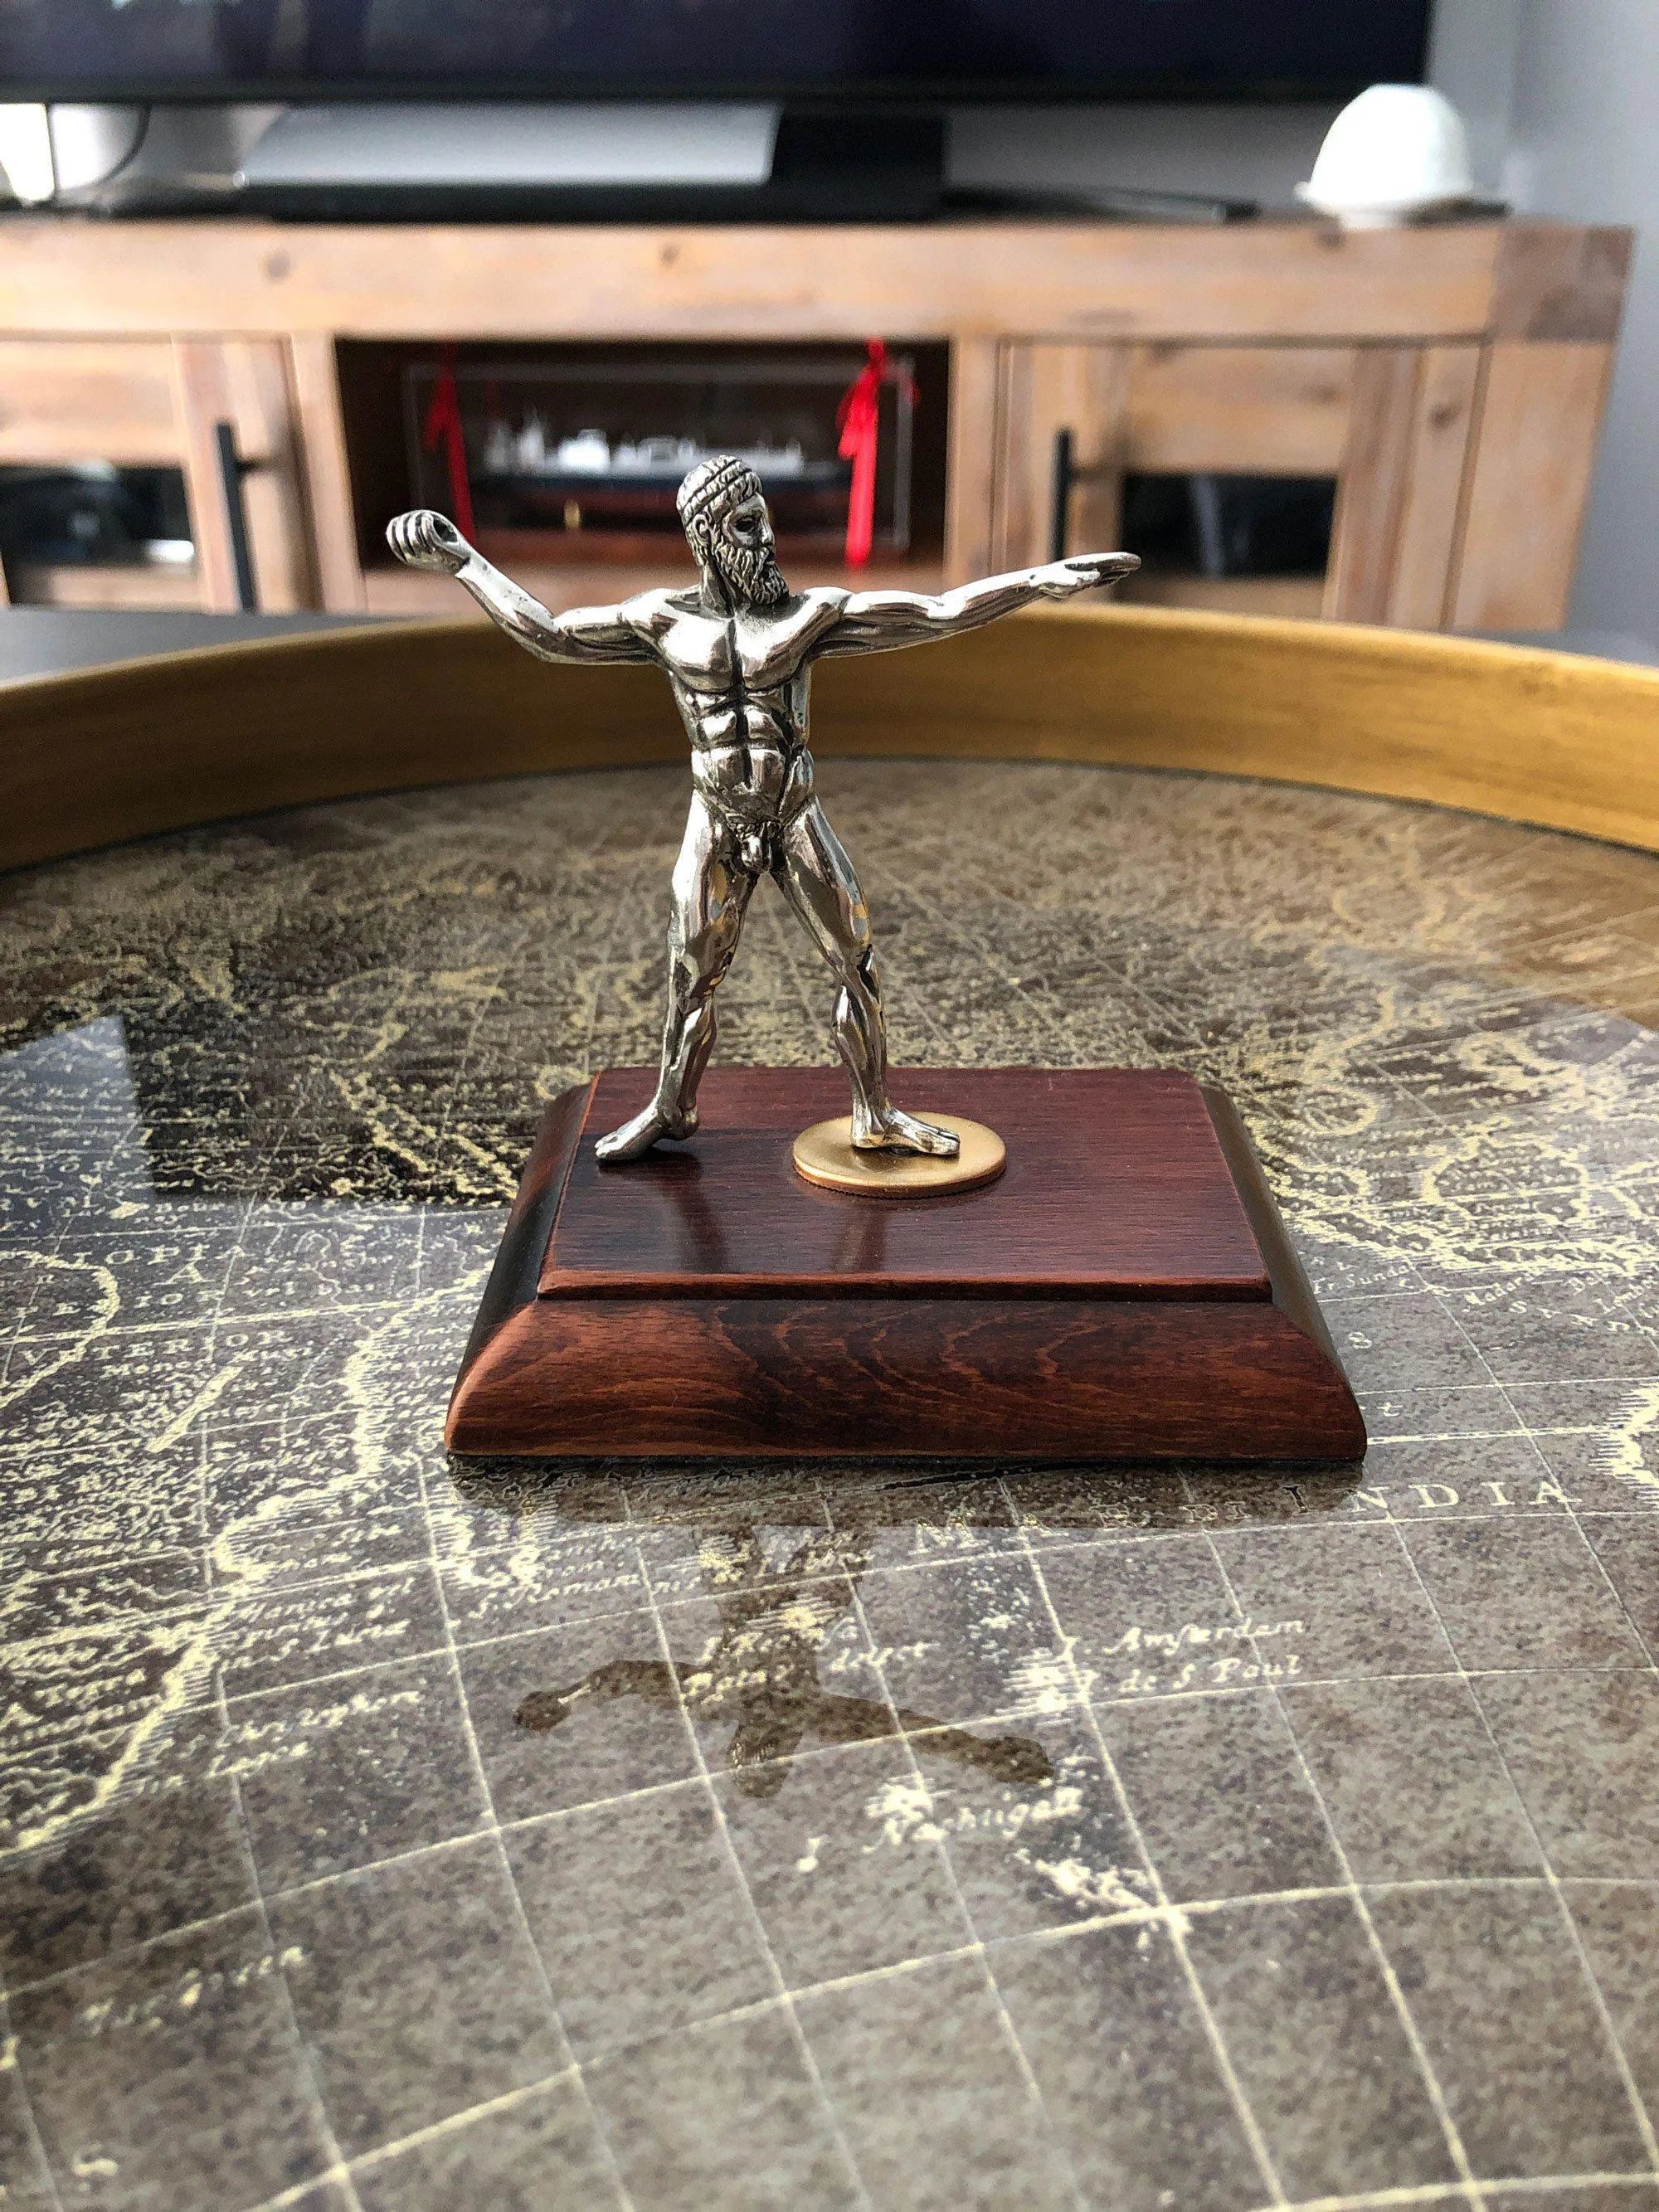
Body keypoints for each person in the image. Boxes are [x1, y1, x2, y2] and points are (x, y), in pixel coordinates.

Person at [389, 457, 1136, 1161]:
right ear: (707, 538)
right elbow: (550, 636)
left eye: (767, 519)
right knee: (690, 973)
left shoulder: (810, 615)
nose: (768, 538)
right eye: (748, 525)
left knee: (855, 960)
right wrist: (464, 561)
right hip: (715, 818)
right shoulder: (661, 621)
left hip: (793, 814)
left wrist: (1040, 580)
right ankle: (671, 1106)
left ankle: (874, 1113)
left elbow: (938, 611)